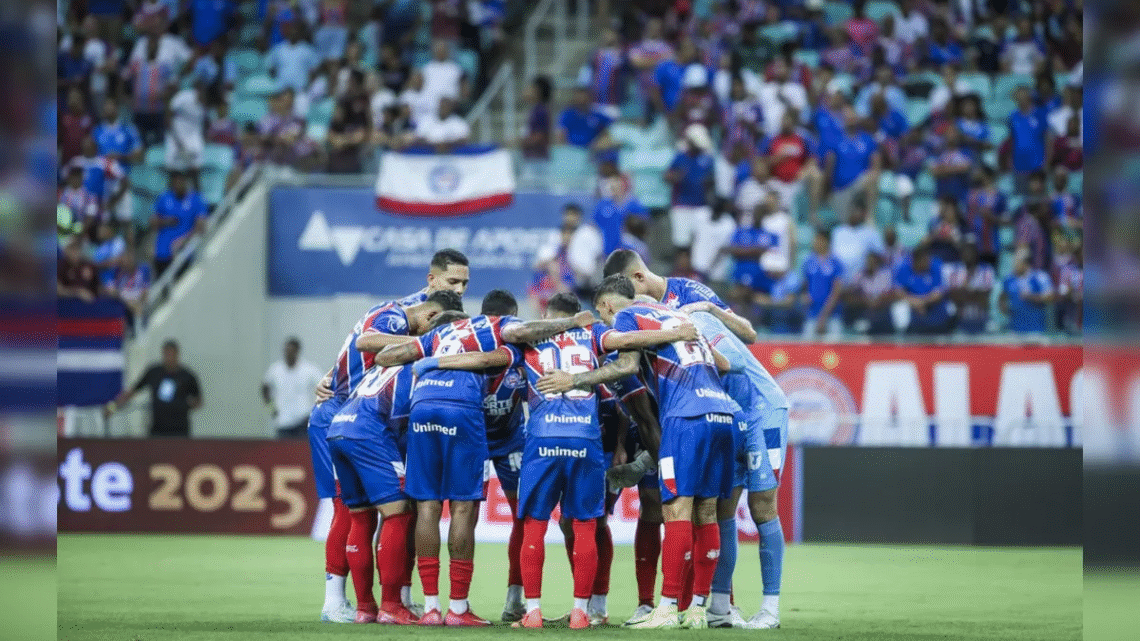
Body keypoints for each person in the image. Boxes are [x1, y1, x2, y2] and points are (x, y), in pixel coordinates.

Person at [421, 293, 695, 629]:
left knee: (534, 523)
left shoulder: (528, 340)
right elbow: (628, 342)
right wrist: (675, 332)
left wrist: (435, 361)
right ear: (578, 314)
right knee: (586, 525)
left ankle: (531, 611)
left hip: (543, 439)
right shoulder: (592, 335)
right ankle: (583, 612)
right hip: (585, 439)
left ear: (547, 316)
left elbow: (485, 358)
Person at [373, 296, 600, 626]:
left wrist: (433, 358)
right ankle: (460, 609)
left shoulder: (439, 337)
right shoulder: (502, 332)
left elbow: (384, 356)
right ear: (510, 319)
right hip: (468, 420)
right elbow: (496, 352)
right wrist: (572, 322)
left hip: (464, 423)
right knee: (477, 510)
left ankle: (444, 606)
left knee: (428, 507)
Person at [536, 274, 738, 630]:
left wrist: (575, 380)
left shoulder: (628, 317)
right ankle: (697, 610)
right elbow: (724, 364)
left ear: (606, 306)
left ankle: (667, 607)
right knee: (707, 511)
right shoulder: (677, 317)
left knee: (676, 508)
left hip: (686, 417)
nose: (607, 327)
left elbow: (626, 365)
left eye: (604, 318)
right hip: (723, 413)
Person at [309, 250, 471, 623]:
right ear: (432, 281)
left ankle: (393, 598)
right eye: (452, 282)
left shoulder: (438, 314)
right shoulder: (398, 314)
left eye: (464, 283)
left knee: (399, 507)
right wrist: (422, 347)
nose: (460, 289)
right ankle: (336, 599)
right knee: (351, 511)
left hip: (378, 416)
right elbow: (366, 341)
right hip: (343, 410)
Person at [602, 248, 758, 343]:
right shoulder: (630, 313)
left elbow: (749, 334)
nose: (627, 298)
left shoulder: (689, 291)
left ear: (639, 277)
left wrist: (711, 309)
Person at [106, 339, 201, 437]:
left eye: (171, 354)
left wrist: (183, 405)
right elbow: (132, 391)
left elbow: (198, 400)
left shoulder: (187, 376)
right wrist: (113, 407)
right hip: (157, 429)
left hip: (179, 430)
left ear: (177, 354)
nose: (168, 357)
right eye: (166, 354)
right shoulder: (154, 372)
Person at [664, 124, 716, 254]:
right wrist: (678, 176)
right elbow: (667, 176)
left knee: (700, 241)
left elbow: (712, 180)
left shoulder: (707, 158)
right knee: (682, 242)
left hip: (701, 205)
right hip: (682, 205)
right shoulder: (680, 157)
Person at [262, 337, 325, 439]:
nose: (288, 354)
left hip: (303, 421)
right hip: (283, 422)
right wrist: (271, 408)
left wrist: (316, 411)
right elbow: (265, 388)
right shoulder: (276, 369)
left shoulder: (309, 369)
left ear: (297, 351)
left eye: (291, 351)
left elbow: (324, 385)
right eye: (286, 351)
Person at [151, 169, 208, 279]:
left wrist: (184, 240)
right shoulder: (165, 198)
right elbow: (153, 222)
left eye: (181, 181)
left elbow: (201, 227)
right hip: (163, 251)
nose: (178, 185)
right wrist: (165, 221)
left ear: (186, 182)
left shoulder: (196, 199)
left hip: (184, 252)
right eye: (175, 182)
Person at [894, 244, 952, 335]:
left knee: (950, 308)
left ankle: (943, 335)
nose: (928, 261)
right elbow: (898, 292)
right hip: (912, 304)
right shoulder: (904, 268)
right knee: (899, 308)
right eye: (925, 259)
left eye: (928, 258)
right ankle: (903, 338)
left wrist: (923, 302)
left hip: (932, 304)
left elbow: (939, 293)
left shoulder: (935, 267)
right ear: (916, 260)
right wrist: (915, 302)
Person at [801, 228, 844, 338]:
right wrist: (805, 296)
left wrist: (824, 315)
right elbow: (805, 284)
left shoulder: (835, 262)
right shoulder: (809, 261)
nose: (815, 243)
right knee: (807, 351)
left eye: (818, 240)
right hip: (812, 314)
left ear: (826, 241)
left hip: (832, 315)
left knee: (835, 352)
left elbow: (836, 291)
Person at [1000, 254, 1054, 334]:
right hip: (1015, 328)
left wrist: (1031, 297)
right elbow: (1002, 297)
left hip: (1036, 329)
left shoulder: (1040, 277)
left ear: (1026, 264)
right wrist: (1004, 307)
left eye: (1017, 263)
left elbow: (1050, 297)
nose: (1014, 265)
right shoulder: (1009, 279)